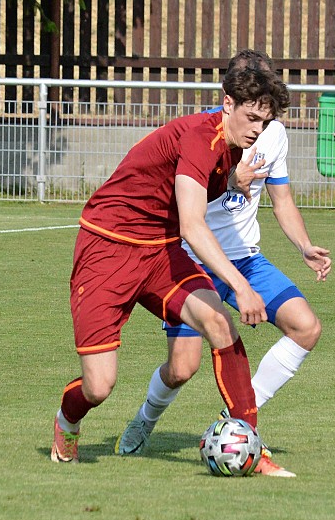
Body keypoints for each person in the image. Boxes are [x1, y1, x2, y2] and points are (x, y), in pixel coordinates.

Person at [51, 65, 291, 471]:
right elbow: (193, 225)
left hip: (160, 252)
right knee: (99, 386)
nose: (257, 130)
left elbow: (195, 187)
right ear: (227, 102)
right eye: (251, 118)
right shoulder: (202, 136)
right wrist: (241, 286)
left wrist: (232, 179)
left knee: (219, 324)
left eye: (264, 122)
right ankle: (66, 421)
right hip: (107, 249)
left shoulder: (231, 144)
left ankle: (251, 446)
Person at [115, 50, 331, 477]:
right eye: (253, 102)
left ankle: (237, 419)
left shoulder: (274, 135)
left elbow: (281, 197)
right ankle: (144, 419)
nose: (260, 117)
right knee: (182, 368)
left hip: (246, 258)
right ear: (231, 96)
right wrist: (230, 181)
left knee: (306, 327)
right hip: (193, 258)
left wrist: (304, 245)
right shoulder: (205, 134)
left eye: (267, 105)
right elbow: (189, 209)